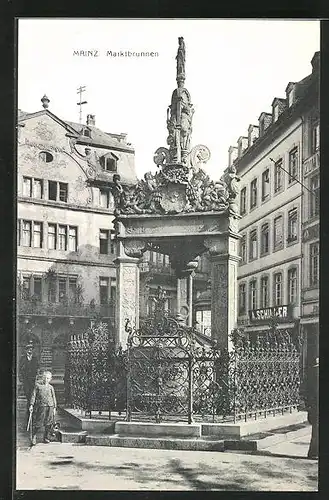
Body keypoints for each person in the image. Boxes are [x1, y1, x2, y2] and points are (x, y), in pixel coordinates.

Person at [29, 371, 57, 446]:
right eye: (44, 378)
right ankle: (34, 437)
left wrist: (54, 407)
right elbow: (33, 395)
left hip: (50, 406)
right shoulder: (38, 386)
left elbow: (53, 397)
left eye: (48, 378)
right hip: (41, 406)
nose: (46, 379)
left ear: (50, 379)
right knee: (39, 422)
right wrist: (31, 405)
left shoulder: (51, 387)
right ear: (42, 378)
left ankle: (46, 437)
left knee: (49, 423)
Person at [18, 341, 39, 426]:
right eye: (28, 349)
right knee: (28, 395)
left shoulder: (35, 358)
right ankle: (29, 408)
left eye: (31, 349)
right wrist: (21, 378)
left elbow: (38, 368)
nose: (30, 351)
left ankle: (31, 410)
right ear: (26, 350)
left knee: (32, 395)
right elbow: (20, 369)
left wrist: (37, 376)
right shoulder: (23, 358)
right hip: (26, 380)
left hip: (33, 380)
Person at [307, 357, 319, 460]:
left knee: (316, 431)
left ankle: (313, 452)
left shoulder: (312, 375)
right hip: (316, 407)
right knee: (316, 431)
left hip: (315, 407)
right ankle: (314, 453)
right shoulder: (314, 376)